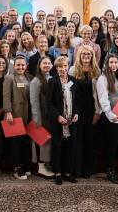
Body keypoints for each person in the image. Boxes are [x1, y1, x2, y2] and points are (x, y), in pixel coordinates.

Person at [96, 54, 118, 184]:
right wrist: (111, 115)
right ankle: (109, 170)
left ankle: (113, 167)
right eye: (111, 62)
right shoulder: (103, 79)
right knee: (110, 145)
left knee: (117, 144)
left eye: (115, 62)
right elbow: (103, 100)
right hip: (110, 117)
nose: (113, 65)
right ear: (107, 64)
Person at [69, 45, 101, 178]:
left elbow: (99, 94)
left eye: (88, 54)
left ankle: (88, 170)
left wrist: (97, 112)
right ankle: (77, 169)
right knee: (77, 140)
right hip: (76, 110)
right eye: (83, 54)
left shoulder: (97, 71)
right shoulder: (72, 70)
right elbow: (69, 92)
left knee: (89, 140)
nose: (86, 56)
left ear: (92, 56)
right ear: (79, 56)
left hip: (91, 109)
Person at [47, 56, 79, 185]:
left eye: (65, 66)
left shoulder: (73, 80)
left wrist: (77, 113)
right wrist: (57, 116)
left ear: (68, 66)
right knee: (57, 146)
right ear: (56, 68)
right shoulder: (52, 81)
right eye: (60, 66)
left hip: (71, 120)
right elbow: (49, 103)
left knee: (70, 147)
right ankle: (58, 173)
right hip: (58, 120)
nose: (63, 69)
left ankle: (67, 172)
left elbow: (77, 101)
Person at [3, 56, 32, 180]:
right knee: (16, 143)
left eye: (23, 65)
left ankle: (25, 166)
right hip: (15, 114)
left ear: (26, 66)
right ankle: (17, 168)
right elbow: (6, 96)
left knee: (26, 142)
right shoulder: (9, 78)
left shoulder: (30, 78)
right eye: (18, 65)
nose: (20, 67)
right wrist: (8, 112)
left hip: (28, 114)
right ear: (14, 66)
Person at [30, 57, 55, 178]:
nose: (47, 65)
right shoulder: (36, 81)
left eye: (49, 63)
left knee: (48, 142)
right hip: (40, 117)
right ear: (39, 65)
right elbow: (34, 102)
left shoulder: (51, 78)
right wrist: (37, 120)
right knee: (41, 142)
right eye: (44, 63)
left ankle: (46, 163)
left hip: (49, 117)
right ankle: (41, 167)